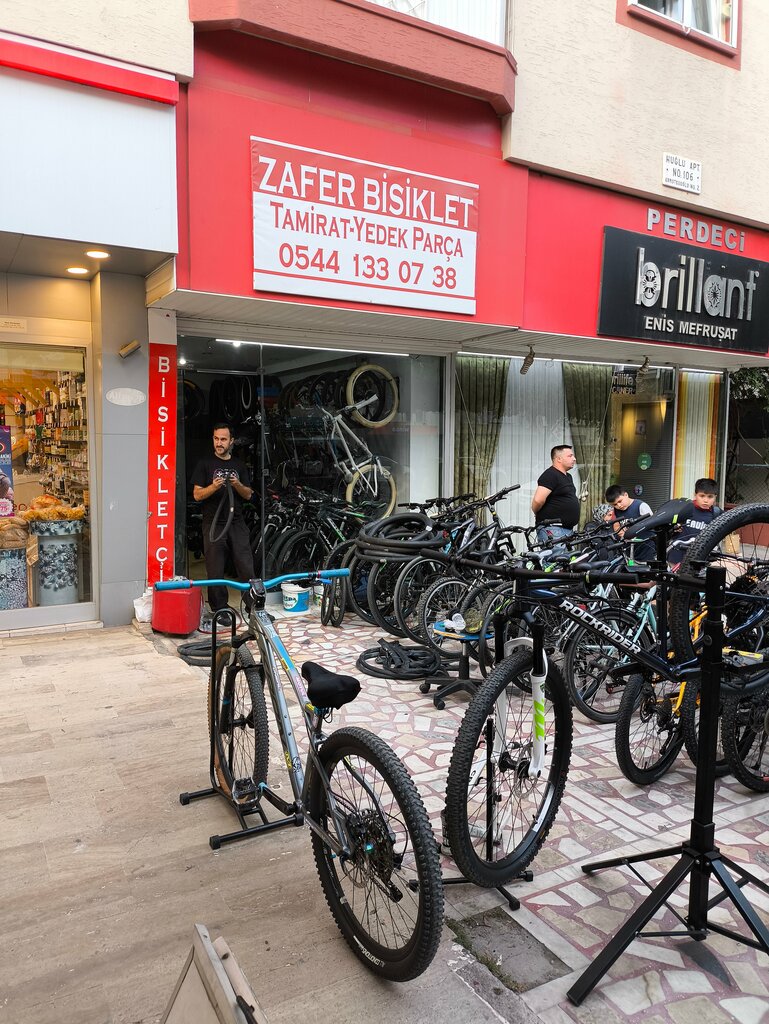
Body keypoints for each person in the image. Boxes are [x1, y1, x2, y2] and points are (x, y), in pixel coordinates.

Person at [191, 423, 255, 625]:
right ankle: (220, 609)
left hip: (236, 521)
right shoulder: (205, 463)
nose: (219, 443)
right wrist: (214, 486)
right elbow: (197, 494)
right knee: (215, 568)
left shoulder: (239, 465)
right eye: (216, 439)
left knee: (245, 564)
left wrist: (236, 484)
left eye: (223, 439)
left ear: (231, 441)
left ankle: (254, 606)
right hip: (213, 522)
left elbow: (248, 494)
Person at [667, 477, 722, 570]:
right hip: (677, 556)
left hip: (701, 560)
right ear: (695, 495)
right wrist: (673, 529)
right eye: (702, 496)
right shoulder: (684, 508)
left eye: (710, 497)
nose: (705, 500)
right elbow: (668, 527)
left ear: (715, 497)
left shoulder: (717, 513)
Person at [531, 444, 580, 549]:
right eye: (570, 456)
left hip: (566, 529)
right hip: (553, 529)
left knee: (566, 563)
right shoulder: (550, 475)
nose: (574, 459)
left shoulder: (568, 476)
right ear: (559, 459)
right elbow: (538, 500)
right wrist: (537, 513)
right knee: (554, 563)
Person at [605, 484, 655, 562]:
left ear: (626, 495)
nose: (619, 505)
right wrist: (623, 536)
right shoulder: (616, 511)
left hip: (646, 548)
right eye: (615, 504)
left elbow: (653, 524)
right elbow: (617, 527)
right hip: (629, 549)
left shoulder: (641, 506)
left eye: (620, 501)